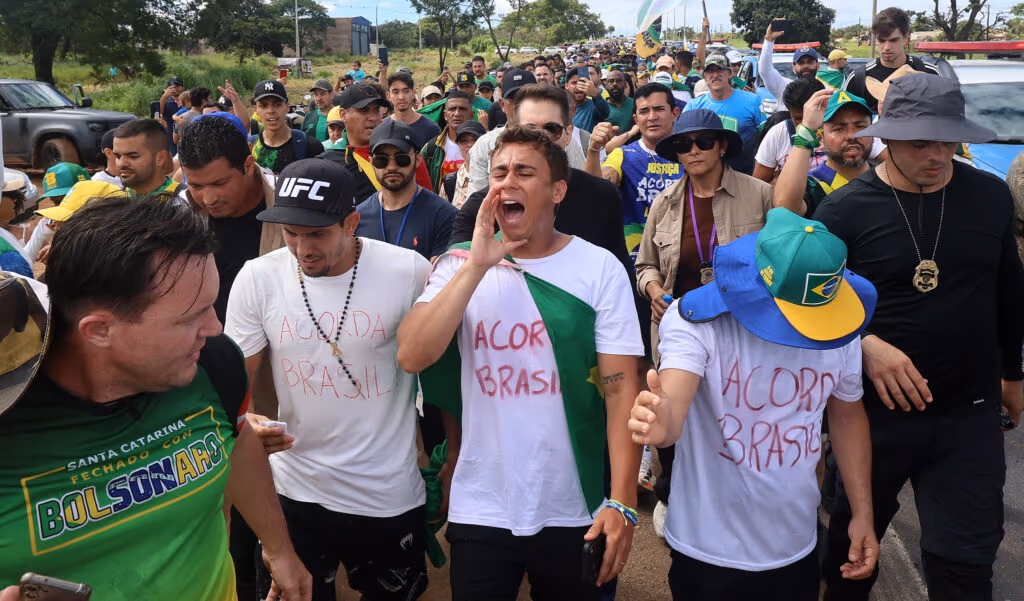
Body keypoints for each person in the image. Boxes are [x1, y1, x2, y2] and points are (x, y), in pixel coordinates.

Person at [0, 196, 312, 601]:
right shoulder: (12, 418)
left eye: (212, 307)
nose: (216, 327)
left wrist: (279, 548)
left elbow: (236, 442)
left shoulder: (214, 367)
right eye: (190, 317)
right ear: (99, 331)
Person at [397, 125, 644, 600]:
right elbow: (412, 354)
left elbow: (620, 389)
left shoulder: (599, 268)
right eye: (499, 172)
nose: (507, 181)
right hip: (483, 505)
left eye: (524, 172)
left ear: (557, 190)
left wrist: (623, 501)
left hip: (576, 506)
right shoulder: (457, 266)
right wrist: (476, 266)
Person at [816, 74, 1024, 601]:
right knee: (849, 559)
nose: (938, 154)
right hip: (872, 421)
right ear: (888, 138)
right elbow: (810, 314)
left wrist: (1014, 375)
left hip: (967, 414)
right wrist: (862, 342)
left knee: (966, 566)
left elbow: (1008, 291)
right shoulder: (842, 212)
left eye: (948, 139)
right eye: (921, 142)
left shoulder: (989, 195)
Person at [631, 207, 880, 601]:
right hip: (707, 548)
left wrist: (863, 513)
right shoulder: (697, 321)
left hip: (795, 542)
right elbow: (673, 406)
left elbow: (847, 416)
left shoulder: (839, 328)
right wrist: (660, 424)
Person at [225, 158, 431, 601]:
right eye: (291, 233)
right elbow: (231, 388)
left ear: (351, 222)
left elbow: (438, 368)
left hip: (386, 491)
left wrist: (433, 448)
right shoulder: (258, 278)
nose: (302, 249)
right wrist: (248, 421)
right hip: (294, 489)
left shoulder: (410, 271)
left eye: (317, 233)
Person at [635, 108, 773, 534]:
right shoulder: (666, 202)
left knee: (737, 415)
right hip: (680, 330)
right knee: (673, 414)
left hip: (741, 329)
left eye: (703, 142)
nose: (692, 151)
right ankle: (670, 495)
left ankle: (738, 502)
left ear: (723, 146)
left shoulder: (759, 195)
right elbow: (645, 265)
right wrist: (655, 292)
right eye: (683, 145)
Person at [587, 83, 683, 262]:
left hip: (682, 256)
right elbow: (595, 192)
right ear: (636, 119)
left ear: (675, 113)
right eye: (644, 111)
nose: (652, 117)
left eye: (659, 109)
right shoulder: (622, 155)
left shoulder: (691, 154)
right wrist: (593, 150)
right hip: (636, 261)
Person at [356, 119, 457, 261]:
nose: (391, 167)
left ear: (418, 160)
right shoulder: (358, 217)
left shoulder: (445, 216)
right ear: (371, 162)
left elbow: (442, 277)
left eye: (401, 158)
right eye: (382, 160)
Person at [774, 89, 878, 218]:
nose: (852, 136)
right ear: (821, 138)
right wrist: (806, 130)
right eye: (839, 129)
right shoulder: (813, 187)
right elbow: (784, 210)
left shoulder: (886, 178)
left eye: (861, 126)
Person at [842, 7, 940, 114]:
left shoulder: (930, 73)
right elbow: (846, 126)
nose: (886, 47)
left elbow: (943, 120)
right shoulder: (858, 79)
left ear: (905, 37)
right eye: (881, 40)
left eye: (893, 40)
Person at [683, 54, 764, 175]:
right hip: (706, 179)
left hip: (742, 177)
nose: (715, 75)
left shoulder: (752, 101)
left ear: (730, 73)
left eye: (720, 70)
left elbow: (766, 136)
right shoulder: (693, 106)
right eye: (710, 71)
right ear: (704, 76)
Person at [753, 78, 827, 183]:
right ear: (790, 113)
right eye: (798, 118)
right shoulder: (778, 134)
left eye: (810, 116)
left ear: (824, 106)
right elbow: (759, 185)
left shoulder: (839, 132)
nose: (806, 124)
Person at [251, 80, 325, 175]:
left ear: (287, 107)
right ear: (255, 109)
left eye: (277, 104)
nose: (271, 110)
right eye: (264, 105)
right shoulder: (251, 146)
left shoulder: (310, 146)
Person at [421, 90, 475, 194]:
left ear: (472, 115)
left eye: (463, 109)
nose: (457, 113)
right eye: (452, 109)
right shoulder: (432, 148)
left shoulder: (484, 146)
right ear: (445, 115)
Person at [112, 118, 183, 196]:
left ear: (160, 158)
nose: (121, 164)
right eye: (118, 156)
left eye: (132, 156)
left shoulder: (185, 200)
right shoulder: (113, 200)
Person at [759, 20, 822, 102]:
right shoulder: (784, 87)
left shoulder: (826, 91)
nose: (806, 66)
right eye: (801, 63)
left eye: (810, 62)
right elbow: (765, 71)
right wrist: (769, 39)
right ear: (794, 68)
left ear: (818, 66)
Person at [384, 71, 442, 148]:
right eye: (395, 92)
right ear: (389, 96)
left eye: (406, 91)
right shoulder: (382, 128)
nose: (401, 97)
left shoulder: (431, 129)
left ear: (413, 93)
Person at [442, 121, 486, 207]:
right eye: (464, 141)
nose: (470, 144)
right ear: (458, 146)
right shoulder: (450, 182)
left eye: (475, 139)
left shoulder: (497, 177)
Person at [567, 66, 611, 133]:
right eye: (574, 83)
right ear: (566, 85)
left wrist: (595, 95)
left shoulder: (595, 105)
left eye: (582, 82)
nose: (578, 86)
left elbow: (605, 112)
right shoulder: (561, 106)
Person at [301, 78, 336, 143]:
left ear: (332, 95)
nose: (318, 98)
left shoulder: (339, 115)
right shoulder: (309, 115)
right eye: (316, 94)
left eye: (322, 94)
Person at [159, 75, 185, 154]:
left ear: (183, 88)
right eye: (171, 87)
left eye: (177, 86)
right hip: (172, 140)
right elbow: (159, 114)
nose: (174, 89)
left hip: (187, 137)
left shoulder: (188, 100)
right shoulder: (165, 102)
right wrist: (164, 97)